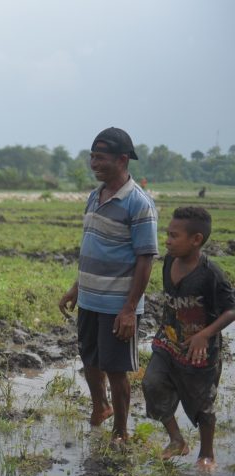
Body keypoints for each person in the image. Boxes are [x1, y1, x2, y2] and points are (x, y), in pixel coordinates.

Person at [59, 127, 158, 446]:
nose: (94, 163)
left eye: (100, 157)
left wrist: (129, 308)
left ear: (122, 159)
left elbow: (145, 259)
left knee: (116, 370)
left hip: (118, 304)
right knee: (89, 359)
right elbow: (93, 246)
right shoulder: (94, 196)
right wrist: (76, 287)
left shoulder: (138, 203)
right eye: (92, 156)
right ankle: (100, 407)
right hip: (89, 297)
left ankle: (121, 431)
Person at [141, 206, 235, 470]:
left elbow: (231, 309)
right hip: (167, 341)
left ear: (196, 240)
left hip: (199, 351)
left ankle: (207, 454)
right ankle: (176, 440)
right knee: (151, 384)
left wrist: (205, 334)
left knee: (203, 402)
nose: (167, 241)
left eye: (174, 235)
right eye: (167, 234)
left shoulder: (210, 274)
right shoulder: (169, 261)